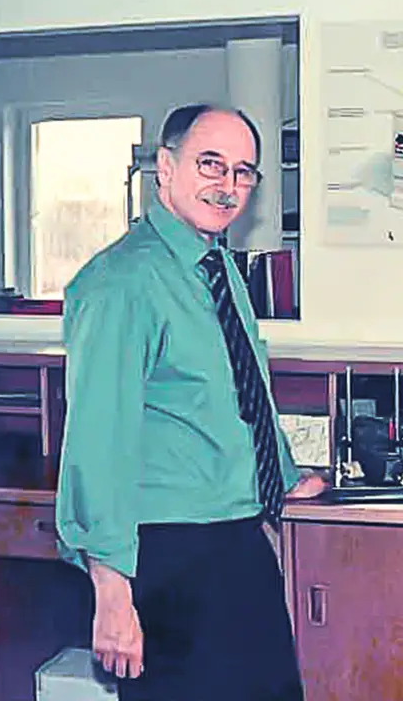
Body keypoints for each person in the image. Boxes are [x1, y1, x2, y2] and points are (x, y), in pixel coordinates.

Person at [55, 104, 327, 701]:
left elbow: (240, 392)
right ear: (166, 166)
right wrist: (112, 591)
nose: (227, 185)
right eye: (210, 164)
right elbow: (97, 441)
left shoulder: (217, 267)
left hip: (235, 541)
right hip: (168, 551)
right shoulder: (122, 281)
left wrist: (282, 477)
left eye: (243, 171)